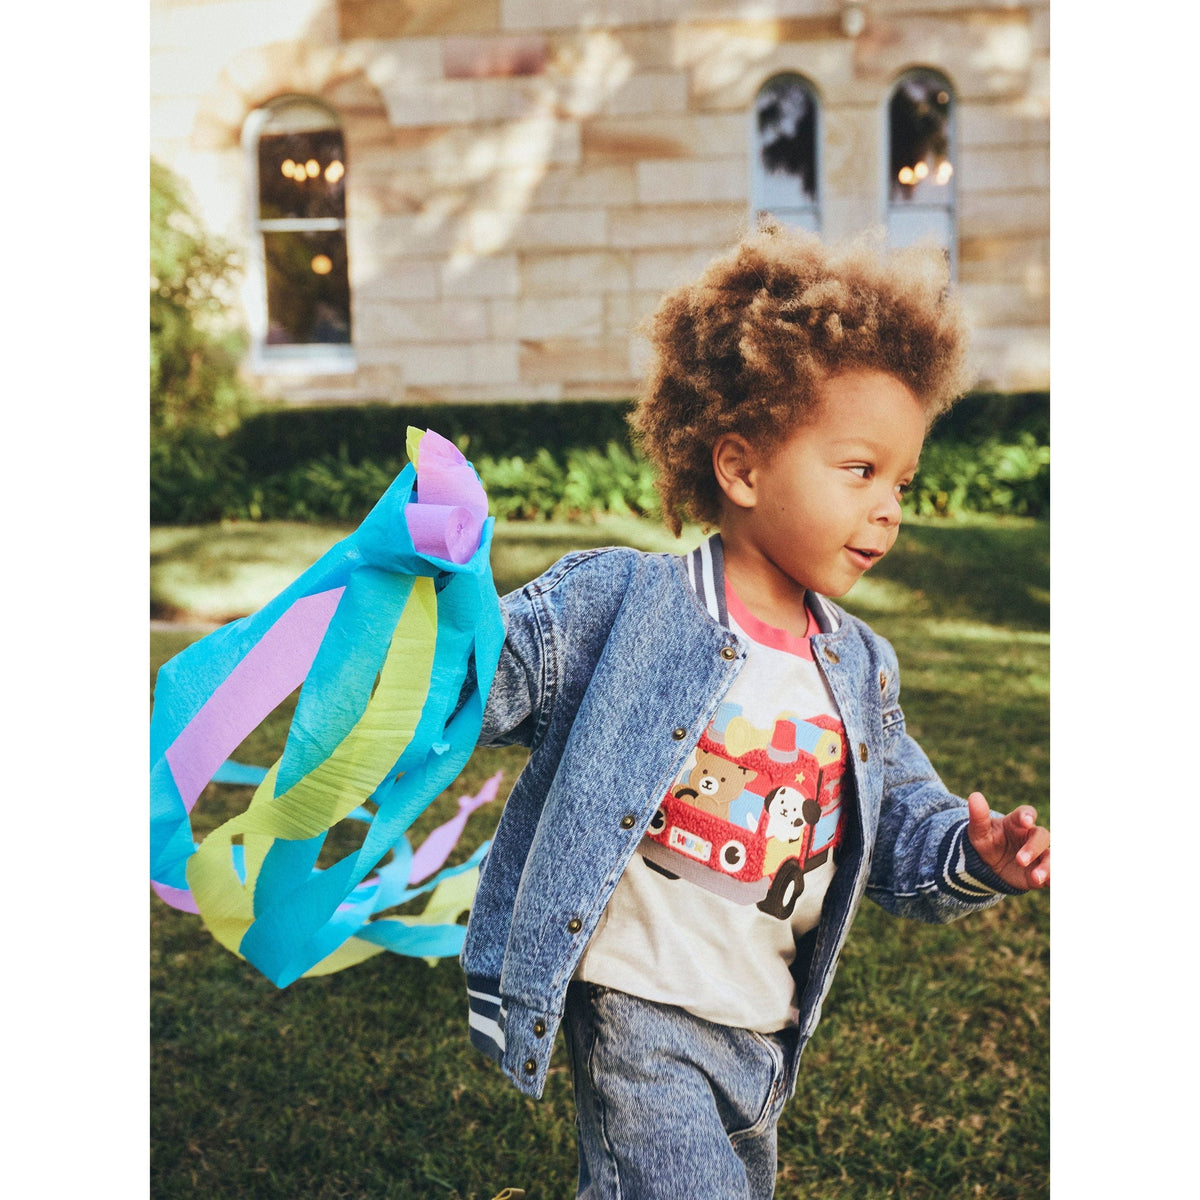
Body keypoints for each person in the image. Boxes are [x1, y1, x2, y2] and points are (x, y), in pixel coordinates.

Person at [458, 223, 1050, 1199]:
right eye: (859, 470)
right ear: (740, 468)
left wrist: (971, 854)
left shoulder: (859, 668)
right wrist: (443, 627)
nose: (891, 506)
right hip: (639, 1008)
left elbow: (901, 826)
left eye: (902, 481)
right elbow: (497, 677)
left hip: (765, 1028)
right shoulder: (626, 604)